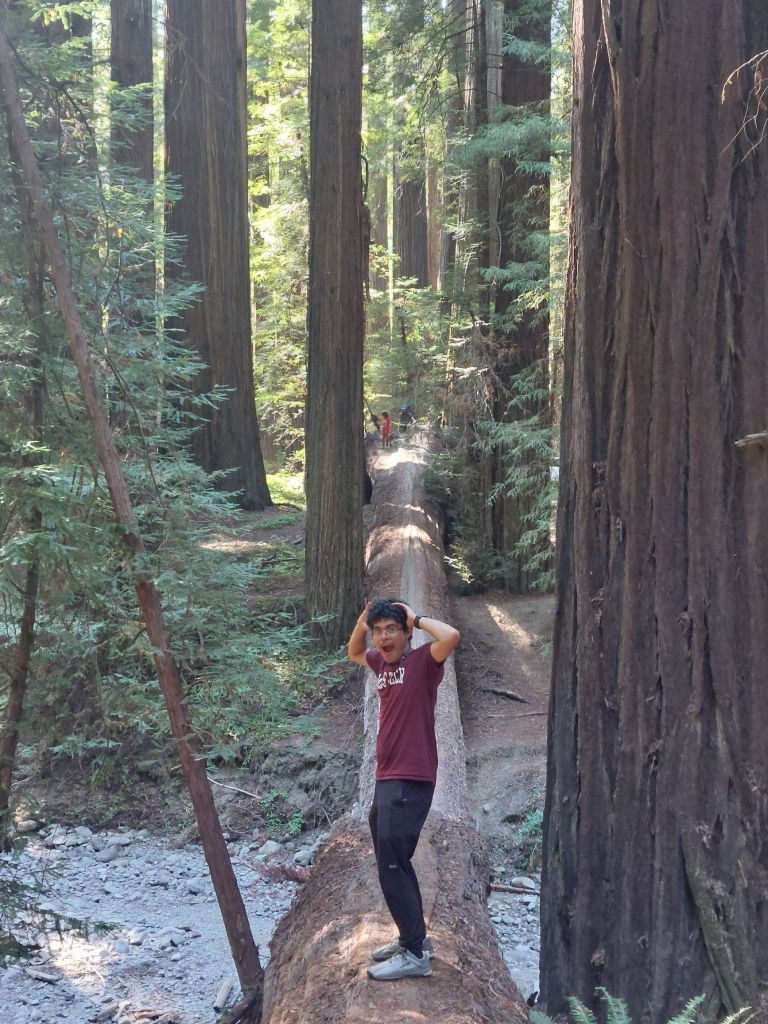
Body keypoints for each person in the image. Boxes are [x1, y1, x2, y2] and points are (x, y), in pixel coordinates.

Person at [348, 598, 461, 981]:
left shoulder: (423, 662)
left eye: (392, 629)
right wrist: (362, 622)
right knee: (394, 860)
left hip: (411, 776)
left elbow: (452, 635)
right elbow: (354, 653)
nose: (384, 636)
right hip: (387, 776)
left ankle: (414, 956)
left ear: (406, 633)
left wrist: (417, 617)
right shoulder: (381, 665)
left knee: (392, 865)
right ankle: (414, 939)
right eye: (379, 630)